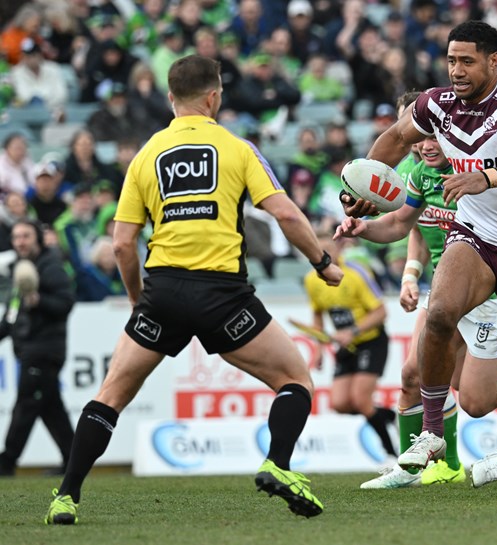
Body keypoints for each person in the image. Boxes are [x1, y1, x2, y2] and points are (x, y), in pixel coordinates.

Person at [44, 55, 343, 525]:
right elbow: (285, 214)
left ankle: (66, 496)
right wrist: (322, 263)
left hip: (161, 290)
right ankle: (279, 465)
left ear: (169, 97)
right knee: (295, 380)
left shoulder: (146, 154)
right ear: (214, 96)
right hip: (223, 295)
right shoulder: (236, 147)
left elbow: (122, 244)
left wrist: (137, 300)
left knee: (110, 395)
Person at [341, 21, 497, 479]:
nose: (456, 70)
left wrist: (487, 177)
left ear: (494, 61)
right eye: (451, 60)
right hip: (474, 235)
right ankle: (430, 431)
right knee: (439, 314)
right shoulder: (436, 104)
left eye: (467, 61)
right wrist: (368, 182)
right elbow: (394, 139)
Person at [302, 231, 397, 461]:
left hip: (371, 341)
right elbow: (317, 315)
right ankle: (389, 416)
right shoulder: (311, 280)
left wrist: (353, 331)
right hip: (345, 347)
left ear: (340, 250)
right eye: (319, 252)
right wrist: (320, 348)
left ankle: (391, 454)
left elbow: (381, 311)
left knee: (361, 400)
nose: (325, 256)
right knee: (340, 403)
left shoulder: (356, 274)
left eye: (329, 251)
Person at [0, 220, 75, 477]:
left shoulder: (50, 266)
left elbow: (66, 304)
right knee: (50, 407)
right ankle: (73, 460)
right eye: (17, 237)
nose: (21, 241)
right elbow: (12, 316)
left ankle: (6, 462)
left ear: (38, 239)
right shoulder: (19, 269)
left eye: (26, 236)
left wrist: (39, 300)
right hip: (30, 350)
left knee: (26, 404)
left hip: (44, 350)